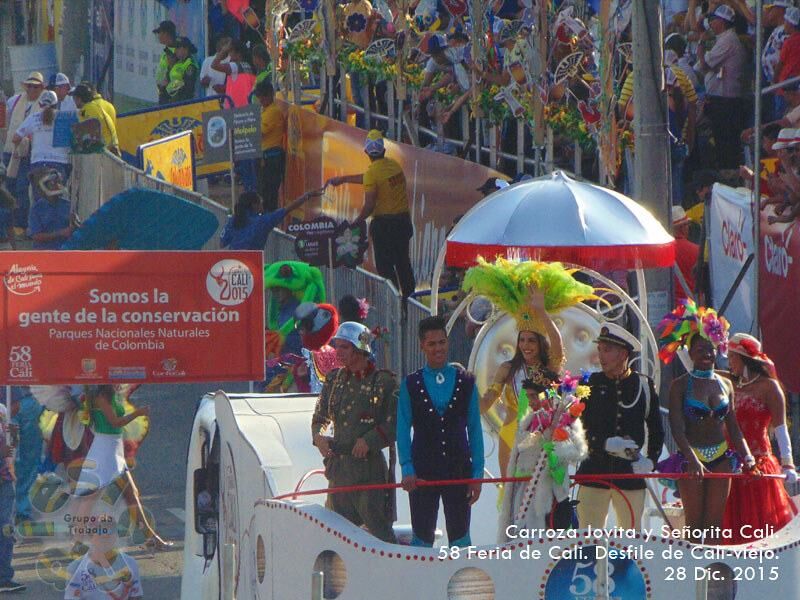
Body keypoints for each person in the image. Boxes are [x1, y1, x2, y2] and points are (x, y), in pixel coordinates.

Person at [463, 259, 589, 478]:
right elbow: (486, 403)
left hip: (543, 437)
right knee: (512, 496)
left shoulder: (549, 367)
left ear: (540, 343)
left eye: (531, 341)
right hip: (511, 436)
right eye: (522, 340)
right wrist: (466, 398)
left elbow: (558, 345)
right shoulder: (507, 368)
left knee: (543, 496)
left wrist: (541, 312)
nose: (526, 346)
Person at [658, 301, 754, 543]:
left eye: (710, 348)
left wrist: (749, 458)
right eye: (700, 349)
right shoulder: (680, 385)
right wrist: (692, 460)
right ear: (689, 353)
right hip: (692, 459)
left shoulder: (726, 384)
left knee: (714, 526)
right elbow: (677, 428)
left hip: (721, 457)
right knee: (694, 526)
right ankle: (691, 579)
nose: (707, 354)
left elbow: (733, 427)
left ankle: (712, 578)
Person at [397, 316, 483, 548]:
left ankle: (463, 582)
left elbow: (475, 430)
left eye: (442, 342)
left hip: (459, 470)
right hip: (422, 472)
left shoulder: (466, 382)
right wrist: (407, 467)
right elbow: (402, 429)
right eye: (432, 344)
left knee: (461, 536)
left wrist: (477, 474)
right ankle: (421, 583)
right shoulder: (410, 384)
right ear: (422, 346)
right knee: (422, 537)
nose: (438, 348)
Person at [311, 322, 398, 543]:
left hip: (369, 472)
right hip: (339, 472)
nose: (338, 352)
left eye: (345, 347)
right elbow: (320, 417)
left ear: (360, 349)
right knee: (335, 536)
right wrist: (319, 437)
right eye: (337, 346)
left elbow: (394, 423)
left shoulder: (383, 382)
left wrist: (370, 440)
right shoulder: (334, 380)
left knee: (380, 536)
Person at [575, 323, 665, 530]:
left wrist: (650, 460)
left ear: (624, 353)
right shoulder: (589, 385)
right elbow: (577, 428)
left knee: (631, 539)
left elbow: (656, 429)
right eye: (600, 350)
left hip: (630, 473)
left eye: (607, 351)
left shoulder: (643, 385)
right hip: (594, 472)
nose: (601, 357)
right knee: (588, 537)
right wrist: (604, 443)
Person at [721, 333, 798, 544]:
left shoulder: (769, 387)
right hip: (731, 465)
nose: (729, 363)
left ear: (744, 357)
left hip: (758, 467)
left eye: (732, 357)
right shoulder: (729, 383)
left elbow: (781, 428)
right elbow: (696, 368)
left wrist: (788, 463)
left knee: (760, 526)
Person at [325, 130, 416, 298]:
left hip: (384, 225)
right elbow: (370, 178)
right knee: (403, 264)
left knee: (385, 267)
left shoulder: (373, 173)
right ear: (384, 151)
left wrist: (356, 222)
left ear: (366, 152)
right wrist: (344, 179)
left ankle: (395, 302)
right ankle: (409, 301)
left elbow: (369, 204)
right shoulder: (393, 166)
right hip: (402, 222)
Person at [695, 5, 748, 169]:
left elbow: (704, 65)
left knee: (726, 141)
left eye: (714, 20)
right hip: (720, 98)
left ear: (722, 22)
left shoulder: (728, 40)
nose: (711, 23)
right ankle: (726, 171)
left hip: (726, 100)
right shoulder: (723, 39)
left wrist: (701, 44)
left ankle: (729, 172)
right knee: (720, 140)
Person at [64, 514, 143, 599]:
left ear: (116, 535)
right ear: (90, 537)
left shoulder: (130, 563)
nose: (105, 536)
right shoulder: (74, 569)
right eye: (100, 531)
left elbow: (136, 596)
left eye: (111, 531)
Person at [3, 71, 44, 230]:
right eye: (29, 86)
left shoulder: (44, 103)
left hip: (30, 152)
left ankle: (21, 223)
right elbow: (7, 123)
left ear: (41, 88)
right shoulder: (15, 100)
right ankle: (9, 223)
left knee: (22, 188)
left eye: (35, 87)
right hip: (11, 150)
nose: (32, 90)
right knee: (9, 187)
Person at [220, 189, 319, 249]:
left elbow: (222, 243)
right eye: (261, 202)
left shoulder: (233, 220)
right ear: (254, 205)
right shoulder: (263, 222)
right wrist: (308, 195)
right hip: (253, 266)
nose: (263, 205)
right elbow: (288, 208)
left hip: (231, 264)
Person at [12, 90, 71, 188]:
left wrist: (16, 150)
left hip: (38, 163)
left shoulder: (33, 118)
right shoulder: (64, 118)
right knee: (58, 197)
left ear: (39, 104)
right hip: (60, 163)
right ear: (56, 105)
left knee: (39, 198)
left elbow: (16, 138)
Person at [0, 399, 25, 593]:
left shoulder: (2, 411)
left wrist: (13, 437)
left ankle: (4, 577)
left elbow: (12, 448)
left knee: (6, 529)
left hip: (5, 480)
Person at [254, 81, 286, 212]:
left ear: (270, 95)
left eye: (263, 96)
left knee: (270, 193)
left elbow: (260, 131)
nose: (261, 100)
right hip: (265, 156)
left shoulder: (273, 112)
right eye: (260, 97)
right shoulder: (265, 110)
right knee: (264, 191)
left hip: (272, 158)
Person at [28, 170, 77, 250]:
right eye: (53, 183)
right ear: (44, 186)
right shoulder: (37, 209)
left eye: (59, 182)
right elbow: (36, 236)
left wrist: (75, 224)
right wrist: (60, 233)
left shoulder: (68, 205)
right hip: (44, 253)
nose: (58, 186)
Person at [70, 84, 119, 155]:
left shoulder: (85, 110)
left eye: (74, 98)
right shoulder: (95, 106)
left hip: (104, 151)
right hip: (113, 148)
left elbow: (80, 132)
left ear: (79, 99)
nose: (73, 101)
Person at [672, 206, 700, 301]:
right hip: (690, 306)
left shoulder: (661, 250)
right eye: (688, 225)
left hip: (669, 304)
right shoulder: (696, 250)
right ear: (682, 228)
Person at [165, 37, 200, 103]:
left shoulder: (190, 65)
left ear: (185, 49)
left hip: (184, 103)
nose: (175, 51)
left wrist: (169, 88)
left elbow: (188, 87)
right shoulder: (178, 63)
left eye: (178, 48)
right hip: (173, 101)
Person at [153, 20, 178, 104]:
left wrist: (167, 92)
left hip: (171, 97)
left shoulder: (176, 52)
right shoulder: (167, 50)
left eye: (159, 33)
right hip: (163, 93)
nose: (158, 36)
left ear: (166, 34)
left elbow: (177, 77)